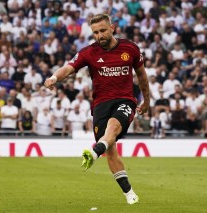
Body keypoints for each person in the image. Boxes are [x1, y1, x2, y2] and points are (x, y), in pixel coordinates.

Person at [44, 14, 149, 205]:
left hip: (125, 100)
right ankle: (129, 193)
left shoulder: (130, 48)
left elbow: (142, 76)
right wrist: (53, 77)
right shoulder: (89, 52)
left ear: (112, 28)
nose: (99, 35)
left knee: (113, 125)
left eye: (102, 30)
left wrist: (147, 100)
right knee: (110, 151)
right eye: (95, 32)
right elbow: (68, 68)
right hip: (100, 104)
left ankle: (94, 152)